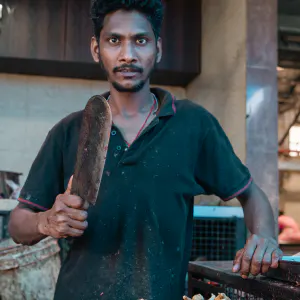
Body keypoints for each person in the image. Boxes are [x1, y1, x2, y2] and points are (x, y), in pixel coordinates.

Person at [8, 1, 282, 299]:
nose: (128, 55)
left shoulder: (193, 124)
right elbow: (18, 223)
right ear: (96, 49)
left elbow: (250, 193)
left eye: (141, 40)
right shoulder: (69, 131)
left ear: (158, 48)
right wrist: (45, 221)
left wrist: (265, 237)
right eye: (114, 40)